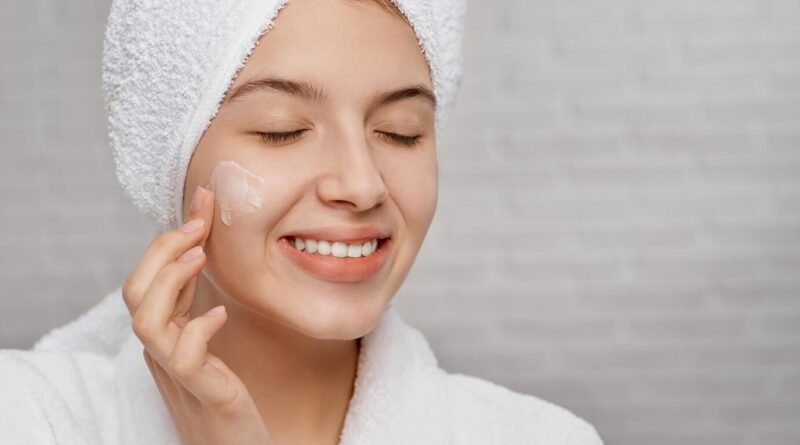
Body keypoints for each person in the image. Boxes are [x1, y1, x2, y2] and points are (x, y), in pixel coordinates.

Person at [0, 0, 604, 444]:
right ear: (171, 164)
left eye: (400, 132)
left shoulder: (540, 438)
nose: (362, 185)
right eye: (281, 130)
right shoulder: (28, 418)